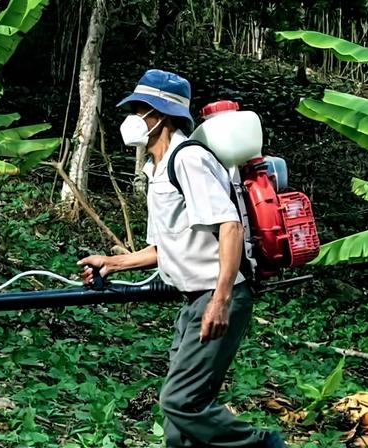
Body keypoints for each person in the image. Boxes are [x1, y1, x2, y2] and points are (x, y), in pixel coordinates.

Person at [78, 69, 287, 448]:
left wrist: (220, 300)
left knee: (181, 401)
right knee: (178, 419)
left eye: (142, 109)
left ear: (163, 115)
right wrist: (113, 263)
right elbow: (166, 247)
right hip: (194, 300)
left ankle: (266, 445)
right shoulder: (155, 169)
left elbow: (230, 227)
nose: (134, 117)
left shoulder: (187, 159)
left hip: (218, 294)